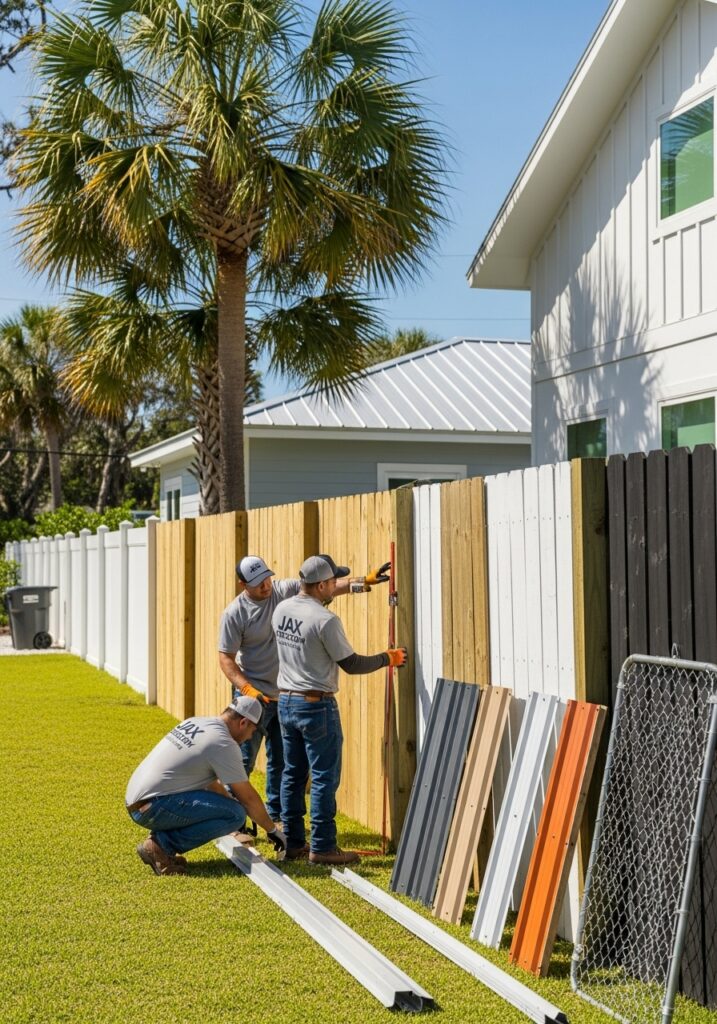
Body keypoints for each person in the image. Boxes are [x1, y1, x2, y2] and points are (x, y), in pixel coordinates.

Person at [217, 554, 391, 829]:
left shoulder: (281, 591)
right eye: (258, 583)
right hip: (252, 696)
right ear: (242, 584)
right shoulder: (234, 613)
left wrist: (363, 582)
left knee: (281, 762)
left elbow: (325, 586)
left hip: (284, 695)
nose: (266, 586)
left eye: (267, 578)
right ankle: (236, 824)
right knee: (242, 760)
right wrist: (247, 689)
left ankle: (275, 818)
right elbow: (226, 657)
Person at [272, 554, 407, 866]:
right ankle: (322, 847)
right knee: (322, 778)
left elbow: (330, 596)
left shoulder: (283, 608)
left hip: (287, 702)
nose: (336, 585)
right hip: (315, 706)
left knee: (293, 774)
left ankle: (293, 843)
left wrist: (363, 582)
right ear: (320, 585)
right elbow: (352, 664)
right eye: (333, 581)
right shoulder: (325, 620)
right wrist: (389, 658)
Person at [126, 695, 287, 875]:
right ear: (243, 722)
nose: (250, 737)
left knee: (233, 810)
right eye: (253, 731)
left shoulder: (199, 722)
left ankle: (160, 843)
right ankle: (161, 846)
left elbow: (211, 784)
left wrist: (231, 805)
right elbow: (248, 798)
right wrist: (272, 830)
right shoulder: (223, 743)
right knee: (236, 815)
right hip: (153, 807)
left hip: (140, 802)